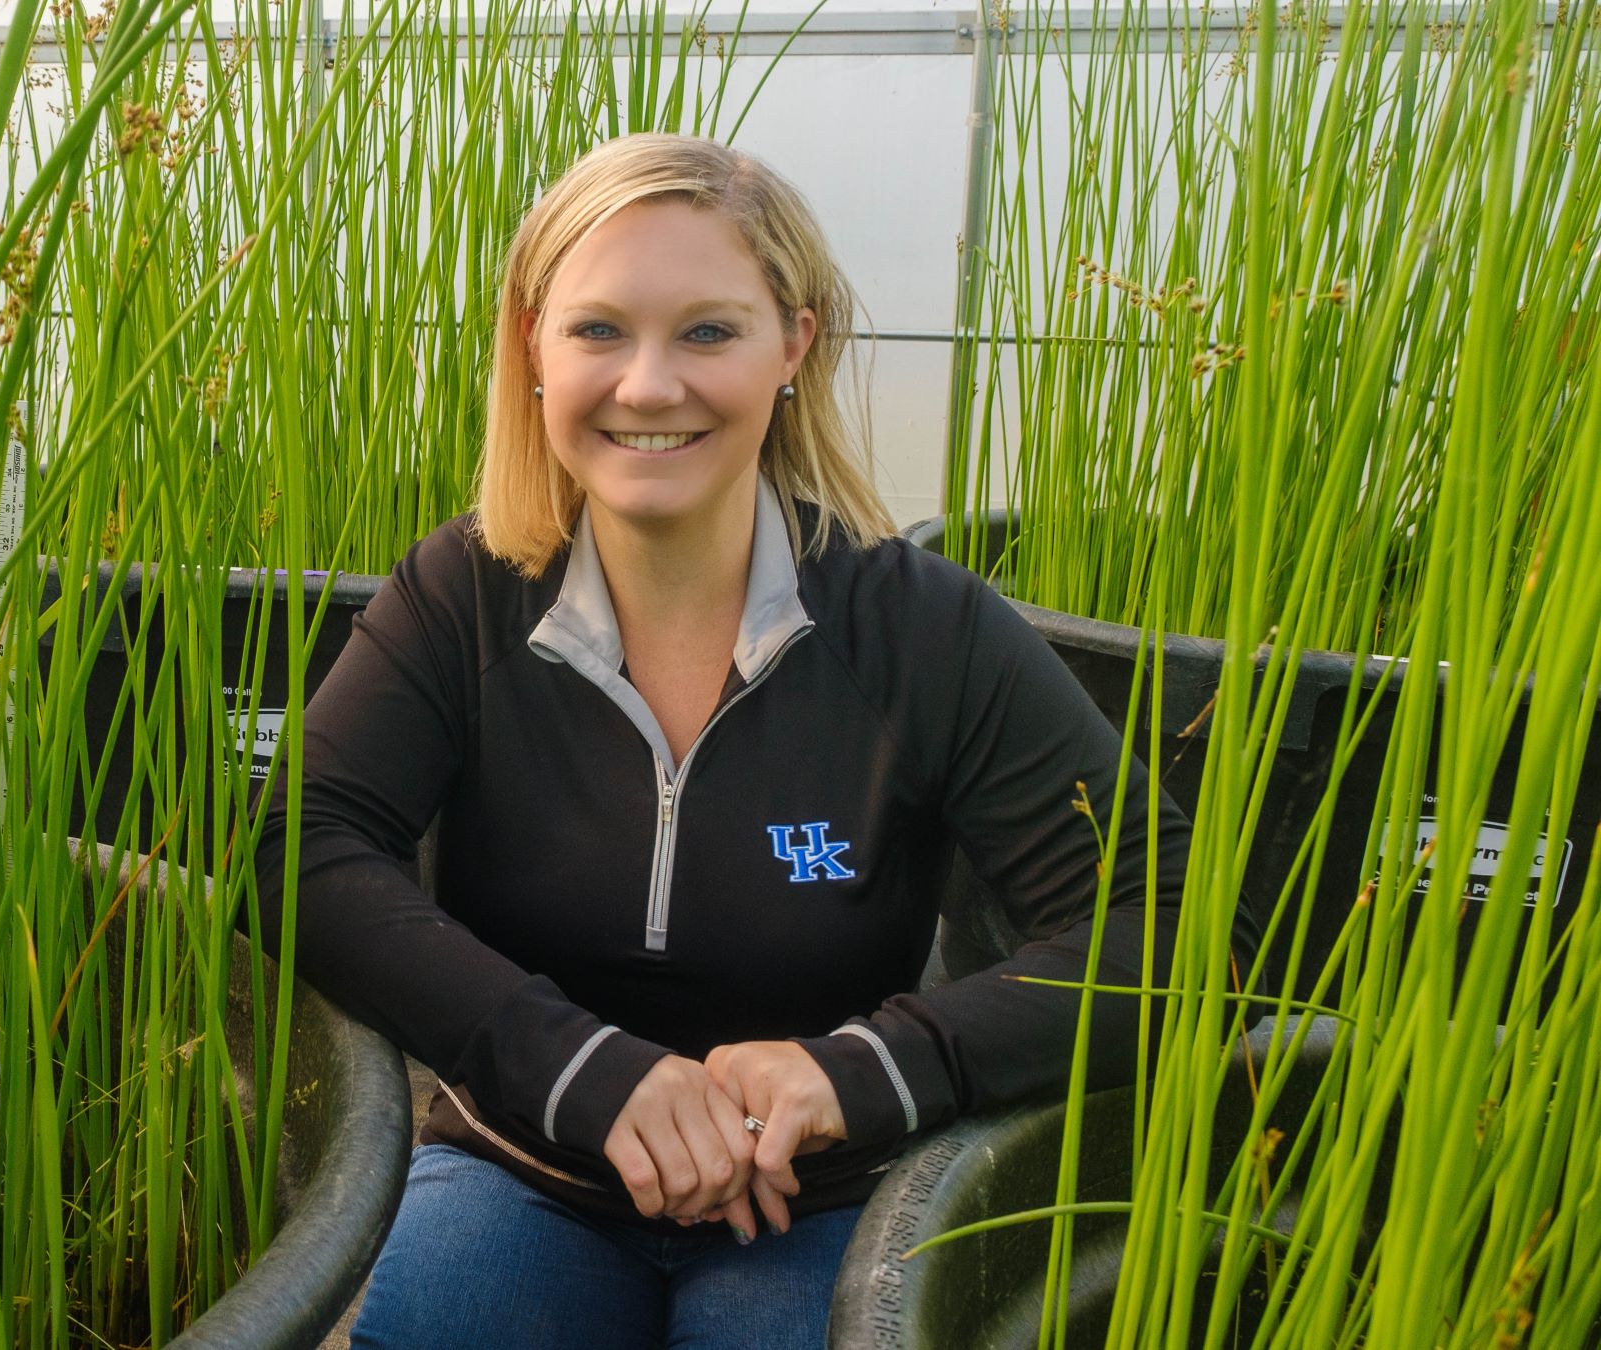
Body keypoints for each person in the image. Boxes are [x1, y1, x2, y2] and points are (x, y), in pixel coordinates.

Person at [249, 133, 1227, 1349]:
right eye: (598, 330)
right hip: (529, 1170)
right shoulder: (466, 592)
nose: (649, 385)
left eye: (708, 332)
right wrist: (582, 1071)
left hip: (821, 1197)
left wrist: (865, 1071)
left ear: (794, 346)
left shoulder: (918, 627)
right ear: (532, 348)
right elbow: (306, 847)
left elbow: (1168, 923)